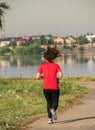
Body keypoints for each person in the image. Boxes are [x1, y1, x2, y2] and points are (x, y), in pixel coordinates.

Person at [36, 46, 63, 124]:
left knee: (48, 103)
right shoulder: (56, 65)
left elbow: (37, 77)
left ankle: (49, 119)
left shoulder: (42, 66)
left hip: (46, 88)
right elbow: (61, 75)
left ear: (45, 58)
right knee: (55, 103)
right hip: (54, 87)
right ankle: (53, 110)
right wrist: (57, 79)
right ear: (54, 57)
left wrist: (44, 77)